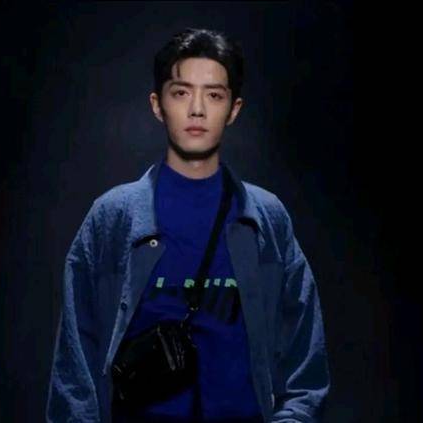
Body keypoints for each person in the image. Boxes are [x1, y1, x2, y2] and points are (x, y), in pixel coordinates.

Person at [46, 27, 330, 423]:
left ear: (234, 109)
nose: (197, 110)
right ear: (157, 104)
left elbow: (305, 354)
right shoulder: (113, 217)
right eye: (181, 93)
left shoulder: (265, 217)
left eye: (214, 95)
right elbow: (74, 360)